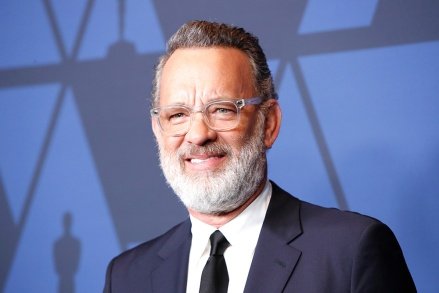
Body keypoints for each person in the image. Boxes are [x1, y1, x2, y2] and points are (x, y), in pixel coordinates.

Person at [103, 20, 416, 292]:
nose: (198, 134)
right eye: (178, 115)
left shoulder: (350, 252)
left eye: (222, 109)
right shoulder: (128, 277)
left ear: (269, 124)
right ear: (158, 130)